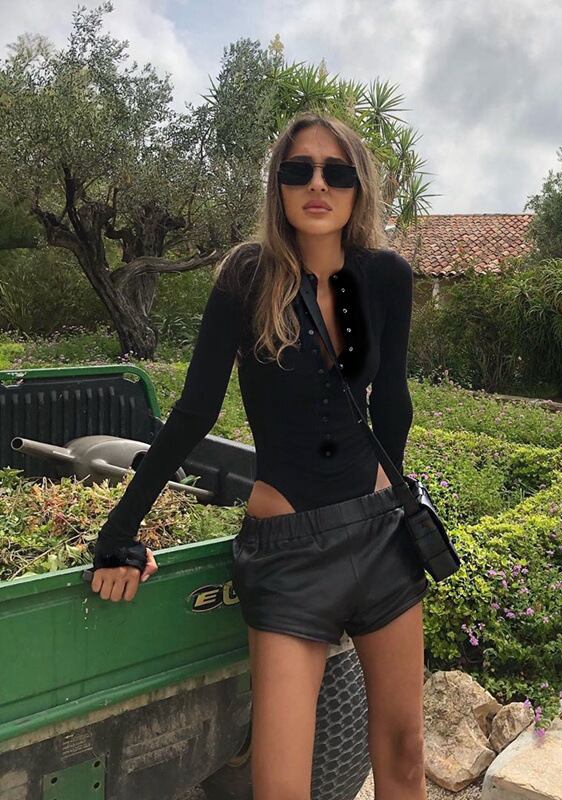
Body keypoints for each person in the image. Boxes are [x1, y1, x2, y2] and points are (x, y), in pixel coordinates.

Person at [89, 112, 429, 799]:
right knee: (279, 787)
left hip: (378, 538)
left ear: (359, 187)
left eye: (336, 172)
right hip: (287, 552)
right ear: (278, 185)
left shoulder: (386, 277)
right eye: (298, 170)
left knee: (404, 753)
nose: (317, 185)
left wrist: (392, 502)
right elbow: (194, 413)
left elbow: (392, 402)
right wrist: (119, 533)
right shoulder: (248, 277)